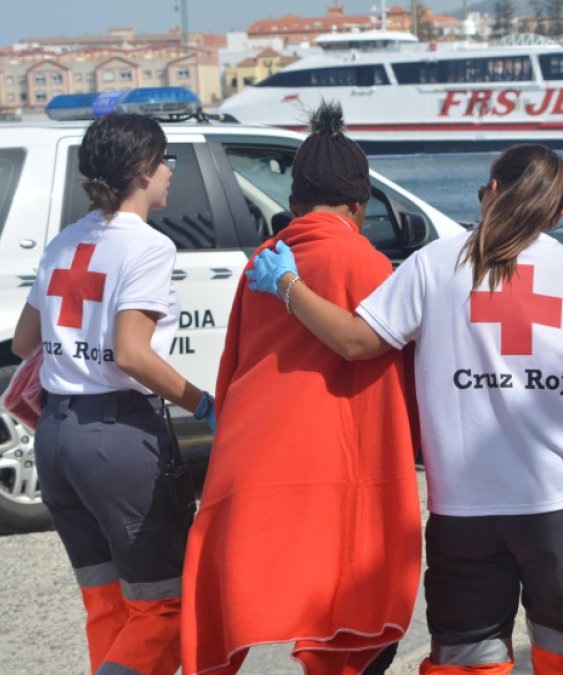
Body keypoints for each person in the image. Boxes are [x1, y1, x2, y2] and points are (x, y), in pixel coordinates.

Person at [248, 144, 563, 674]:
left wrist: (287, 284)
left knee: (467, 663)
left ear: (491, 192)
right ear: (556, 214)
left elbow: (355, 342)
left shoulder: (435, 263)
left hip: (466, 510)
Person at [181, 102, 422, 675]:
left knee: (258, 593)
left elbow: (234, 361)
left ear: (292, 205)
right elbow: (377, 356)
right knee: (350, 617)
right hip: (335, 464)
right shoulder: (365, 261)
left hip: (258, 455)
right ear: (360, 206)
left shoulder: (264, 260)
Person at [12, 112, 216, 675]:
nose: (171, 171)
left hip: (56, 439)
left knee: (108, 604)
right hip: (116, 437)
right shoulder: (148, 247)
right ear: (143, 170)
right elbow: (132, 353)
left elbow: (23, 341)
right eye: (166, 160)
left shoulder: (64, 241)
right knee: (164, 608)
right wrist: (204, 403)